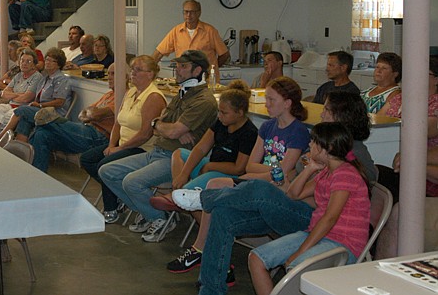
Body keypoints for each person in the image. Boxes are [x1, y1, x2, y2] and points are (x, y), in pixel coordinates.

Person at [169, 91, 373, 294]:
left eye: (327, 110)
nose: (321, 114)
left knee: (261, 189)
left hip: (310, 220)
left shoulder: (347, 158)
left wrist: (295, 180)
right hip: (296, 205)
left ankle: (204, 199)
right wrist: (300, 174)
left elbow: (333, 208)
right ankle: (211, 289)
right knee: (224, 215)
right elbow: (302, 189)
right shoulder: (324, 159)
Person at [165, 76, 310, 279]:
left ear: (287, 103)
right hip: (257, 179)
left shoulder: (299, 131)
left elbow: (283, 173)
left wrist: (258, 172)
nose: (266, 104)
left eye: (271, 100)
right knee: (216, 191)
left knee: (217, 192)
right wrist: (260, 172)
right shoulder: (268, 126)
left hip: (276, 188)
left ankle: (200, 223)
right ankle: (207, 256)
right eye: (266, 99)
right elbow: (251, 164)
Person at [99, 50, 218, 242]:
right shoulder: (183, 93)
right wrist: (164, 126)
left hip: (176, 158)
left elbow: (170, 130)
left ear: (197, 70)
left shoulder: (203, 100)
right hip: (157, 151)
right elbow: (159, 123)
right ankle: (149, 212)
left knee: (132, 182)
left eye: (183, 66)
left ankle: (159, 218)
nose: (177, 70)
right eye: (177, 66)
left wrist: (167, 127)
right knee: (107, 171)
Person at [248, 122, 370, 295]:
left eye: (314, 141)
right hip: (320, 236)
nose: (310, 145)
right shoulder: (327, 171)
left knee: (296, 270)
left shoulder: (345, 174)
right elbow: (293, 194)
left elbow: (330, 218)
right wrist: (310, 168)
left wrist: (299, 252)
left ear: (327, 148)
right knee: (256, 259)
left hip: (343, 243)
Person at [149, 80, 258, 221]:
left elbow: (239, 168)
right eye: (219, 111)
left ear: (240, 113)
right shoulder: (220, 123)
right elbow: (201, 148)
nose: (219, 115)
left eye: (224, 113)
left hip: (228, 174)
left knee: (203, 181)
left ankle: (179, 197)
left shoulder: (249, 133)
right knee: (179, 153)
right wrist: (184, 173)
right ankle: (178, 193)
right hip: (212, 164)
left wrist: (210, 166)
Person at [80, 55, 167, 223]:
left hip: (142, 148)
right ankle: (118, 193)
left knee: (104, 165)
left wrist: (119, 149)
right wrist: (112, 144)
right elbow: (118, 122)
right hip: (123, 143)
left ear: (150, 74)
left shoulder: (153, 97)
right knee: (87, 159)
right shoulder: (131, 92)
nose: (133, 73)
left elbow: (145, 134)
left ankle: (111, 208)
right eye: (132, 69)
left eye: (138, 70)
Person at [30, 64, 116, 172]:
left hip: (98, 136)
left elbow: (94, 114)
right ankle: (38, 175)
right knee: (41, 134)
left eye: (113, 74)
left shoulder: (122, 96)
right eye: (109, 73)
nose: (110, 77)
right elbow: (82, 114)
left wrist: (91, 114)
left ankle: (35, 115)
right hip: (85, 128)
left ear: (125, 77)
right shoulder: (108, 95)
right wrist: (90, 114)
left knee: (36, 118)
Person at [378, 55, 438, 201]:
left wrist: (411, 160)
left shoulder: (435, 102)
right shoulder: (400, 98)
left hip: (420, 175)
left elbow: (424, 130)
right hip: (399, 161)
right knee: (374, 173)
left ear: (436, 79)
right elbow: (378, 121)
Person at [0, 48, 71, 143]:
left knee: (21, 110)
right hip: (40, 110)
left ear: (59, 64)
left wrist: (40, 105)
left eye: (51, 60)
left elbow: (60, 102)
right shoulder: (45, 78)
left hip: (53, 113)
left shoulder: (60, 79)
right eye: (47, 59)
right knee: (24, 121)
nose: (47, 62)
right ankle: (19, 150)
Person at [152, 0, 229, 80]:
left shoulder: (210, 31)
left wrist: (212, 68)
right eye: (186, 12)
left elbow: (224, 54)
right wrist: (148, 71)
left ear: (199, 13)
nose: (188, 15)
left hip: (206, 81)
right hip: (184, 79)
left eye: (192, 12)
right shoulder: (176, 31)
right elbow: (159, 53)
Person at [0, 49, 44, 138]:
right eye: (22, 61)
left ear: (33, 64)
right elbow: (4, 94)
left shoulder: (37, 77)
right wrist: (18, 94)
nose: (24, 63)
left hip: (23, 107)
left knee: (5, 117)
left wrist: (12, 94)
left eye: (28, 61)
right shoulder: (19, 75)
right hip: (10, 105)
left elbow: (26, 98)